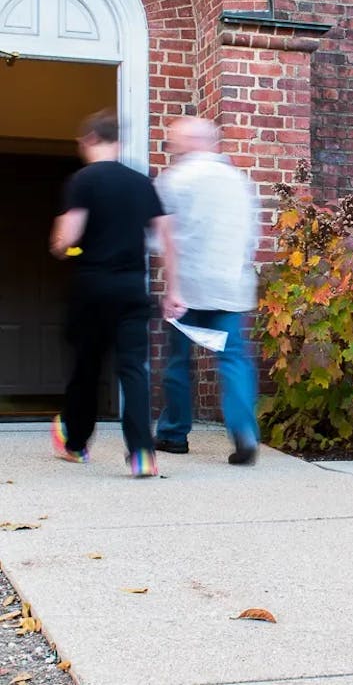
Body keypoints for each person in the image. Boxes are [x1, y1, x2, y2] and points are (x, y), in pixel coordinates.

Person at [49, 110, 180, 477]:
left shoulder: (82, 181)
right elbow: (167, 240)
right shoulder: (142, 182)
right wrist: (173, 290)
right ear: (117, 142)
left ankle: (75, 445)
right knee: (133, 369)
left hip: (91, 288)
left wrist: (60, 243)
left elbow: (69, 238)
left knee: (86, 368)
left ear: (89, 139)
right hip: (131, 289)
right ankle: (141, 453)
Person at [154, 116, 261, 465]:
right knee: (233, 360)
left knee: (179, 362)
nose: (171, 147)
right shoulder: (238, 181)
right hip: (231, 285)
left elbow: (163, 239)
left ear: (188, 142)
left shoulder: (174, 180)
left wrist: (172, 289)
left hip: (188, 286)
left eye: (173, 141)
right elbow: (252, 235)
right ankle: (244, 431)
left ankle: (173, 434)